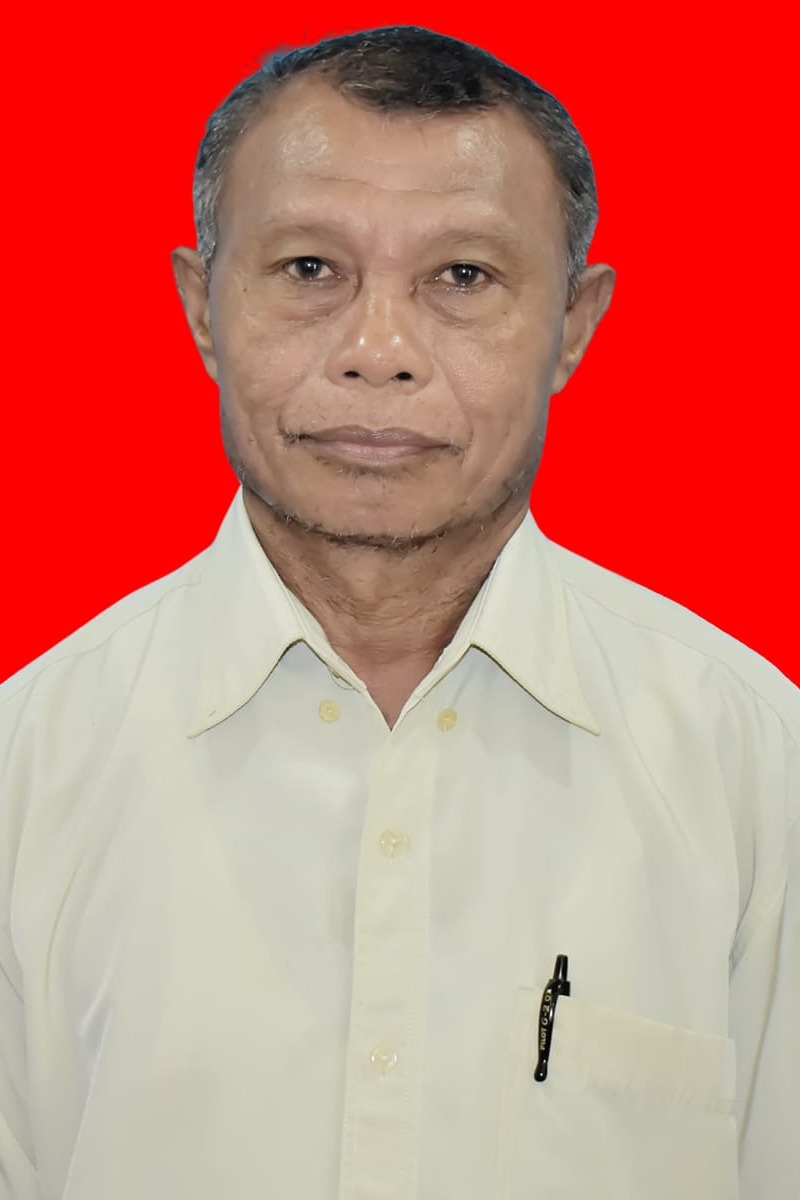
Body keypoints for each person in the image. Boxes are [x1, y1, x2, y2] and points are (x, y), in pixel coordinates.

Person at [0, 24, 797, 1200]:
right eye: (308, 270)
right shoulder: (25, 768)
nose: (378, 352)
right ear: (201, 308)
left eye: (460, 277)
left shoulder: (752, 760)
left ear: (573, 324)